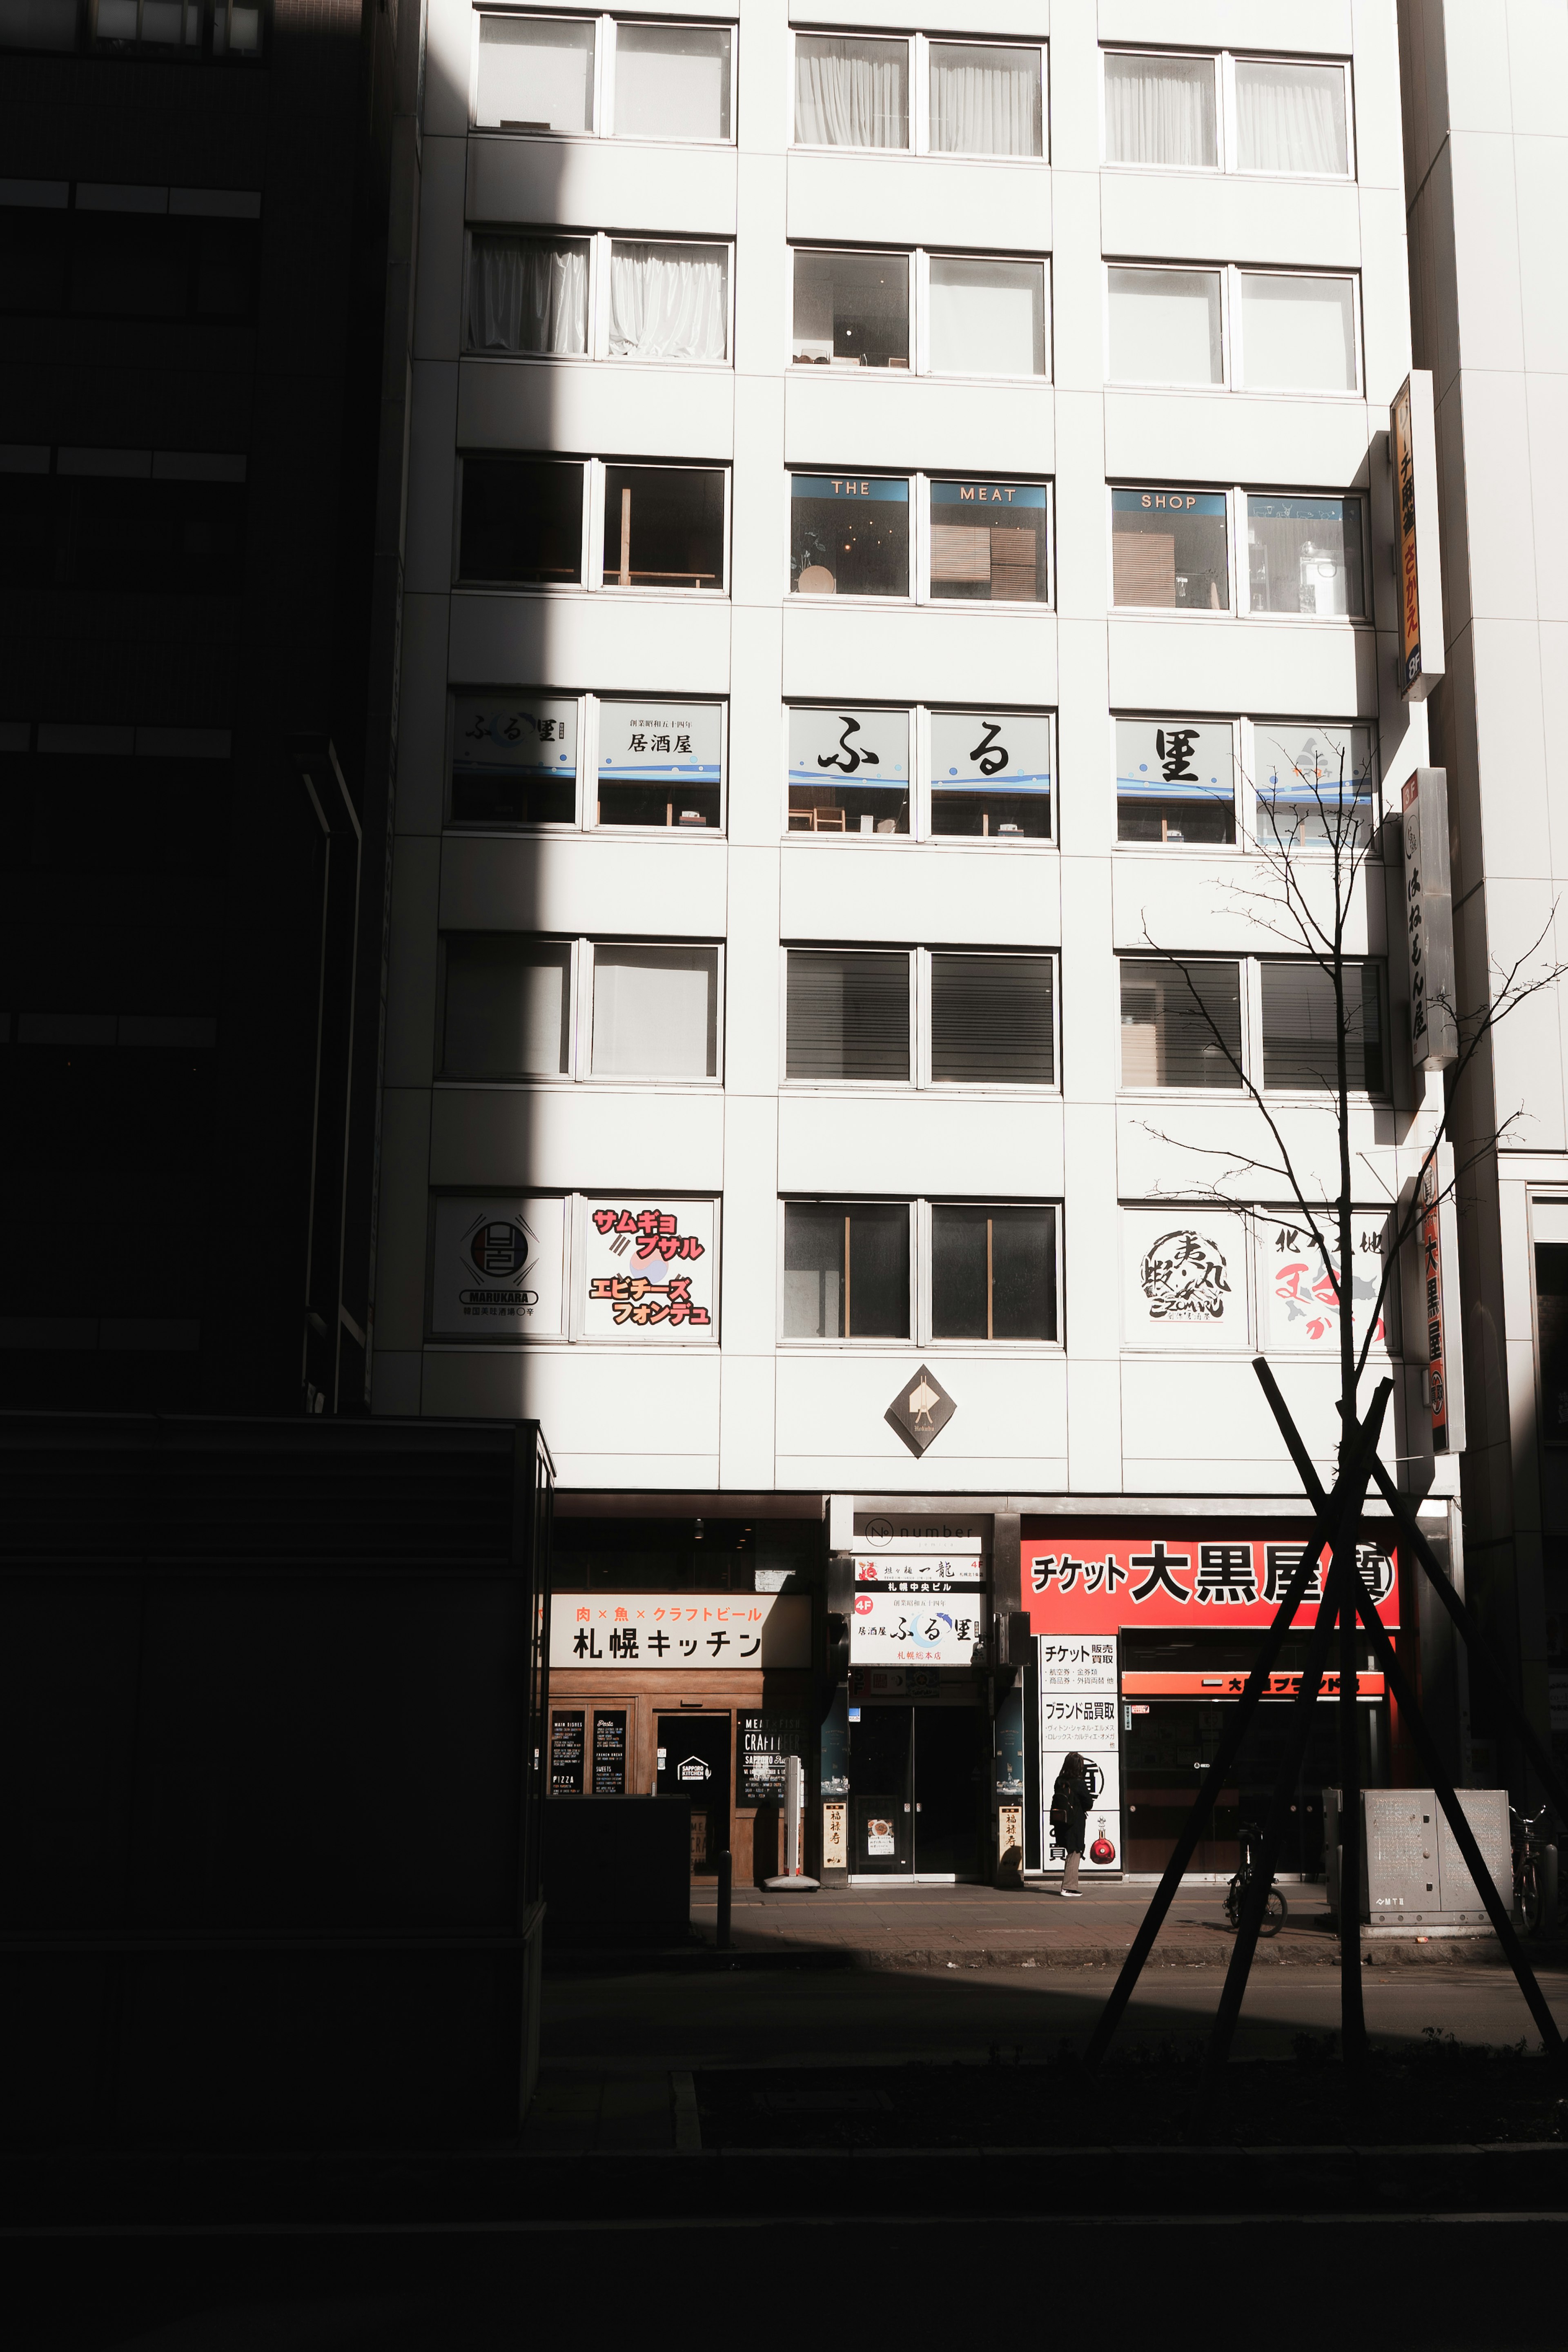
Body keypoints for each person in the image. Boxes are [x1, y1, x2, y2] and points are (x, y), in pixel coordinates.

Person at [1050, 1752, 1093, 1896]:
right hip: (1075, 1822)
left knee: (1071, 1850)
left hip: (1062, 1821)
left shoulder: (1059, 1781)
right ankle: (1068, 1887)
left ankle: (1069, 1886)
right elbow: (1089, 1803)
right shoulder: (1079, 1783)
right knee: (1075, 1852)